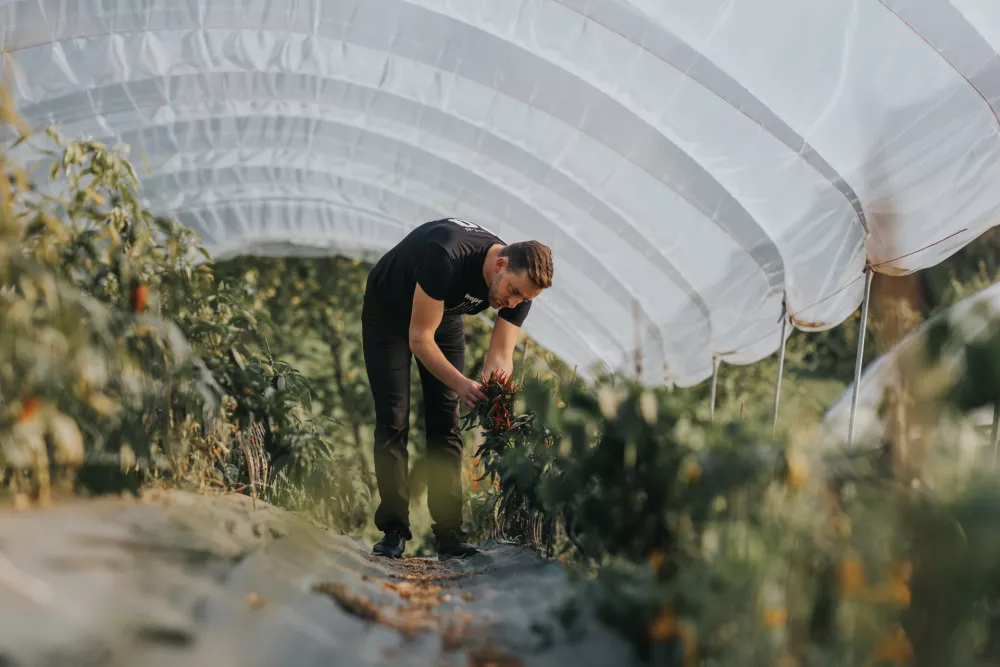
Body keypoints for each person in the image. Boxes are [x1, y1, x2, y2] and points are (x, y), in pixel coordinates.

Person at [361, 217, 553, 559]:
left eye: (522, 298)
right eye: (512, 291)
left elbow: (500, 356)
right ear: (500, 264)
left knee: (446, 422)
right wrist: (463, 385)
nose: (513, 303)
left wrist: (498, 399)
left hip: (442, 313)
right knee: (394, 417)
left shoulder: (521, 291)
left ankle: (449, 534)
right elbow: (420, 340)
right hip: (388, 311)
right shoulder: (446, 253)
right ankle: (393, 530)